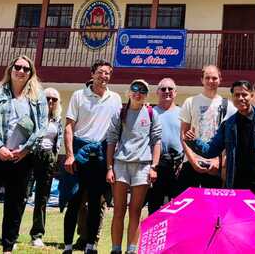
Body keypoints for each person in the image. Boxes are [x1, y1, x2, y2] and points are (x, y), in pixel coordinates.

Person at [0, 55, 48, 253]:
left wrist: (26, 149)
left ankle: (7, 249)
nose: (21, 71)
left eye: (26, 69)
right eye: (17, 67)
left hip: (21, 160)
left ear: (31, 73)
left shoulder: (38, 97)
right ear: (10, 69)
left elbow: (43, 126)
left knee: (14, 208)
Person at [184, 79, 255, 211]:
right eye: (236, 95)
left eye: (244, 94)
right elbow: (211, 150)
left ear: (251, 95)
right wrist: (194, 141)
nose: (241, 98)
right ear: (232, 98)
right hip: (237, 186)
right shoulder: (228, 124)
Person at [62, 60, 122, 254]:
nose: (104, 76)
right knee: (74, 200)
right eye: (100, 72)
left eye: (107, 73)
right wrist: (70, 155)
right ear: (92, 74)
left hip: (101, 155)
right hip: (80, 152)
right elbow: (69, 127)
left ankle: (90, 246)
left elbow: (119, 127)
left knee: (96, 202)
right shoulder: (79, 95)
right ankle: (68, 246)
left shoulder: (115, 98)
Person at [106, 79, 162, 254]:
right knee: (118, 210)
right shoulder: (120, 112)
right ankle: (116, 249)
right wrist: (109, 167)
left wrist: (154, 166)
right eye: (135, 89)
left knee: (136, 211)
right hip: (120, 164)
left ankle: (131, 249)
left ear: (147, 95)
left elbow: (156, 141)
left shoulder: (152, 113)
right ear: (129, 92)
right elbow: (111, 140)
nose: (138, 93)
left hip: (142, 166)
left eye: (143, 90)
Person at [178, 65, 236, 189]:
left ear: (220, 79)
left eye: (214, 78)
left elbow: (229, 139)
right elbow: (183, 135)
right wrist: (193, 160)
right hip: (190, 162)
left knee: (212, 206)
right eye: (207, 78)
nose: (211, 81)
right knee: (189, 206)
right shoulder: (190, 102)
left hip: (215, 165)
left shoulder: (228, 106)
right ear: (202, 80)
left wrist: (218, 161)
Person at [28, 87, 64, 248]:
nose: (50, 101)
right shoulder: (34, 115)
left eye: (54, 99)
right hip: (31, 156)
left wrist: (54, 157)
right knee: (22, 195)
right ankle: (11, 235)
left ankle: (37, 234)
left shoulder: (58, 121)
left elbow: (58, 140)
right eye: (47, 98)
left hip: (48, 159)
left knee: (42, 199)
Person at [145, 78, 184, 214]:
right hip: (157, 166)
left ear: (176, 92)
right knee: (154, 207)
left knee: (178, 208)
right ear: (157, 92)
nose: (167, 92)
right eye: (163, 89)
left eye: (170, 89)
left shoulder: (183, 113)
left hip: (177, 166)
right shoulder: (150, 112)